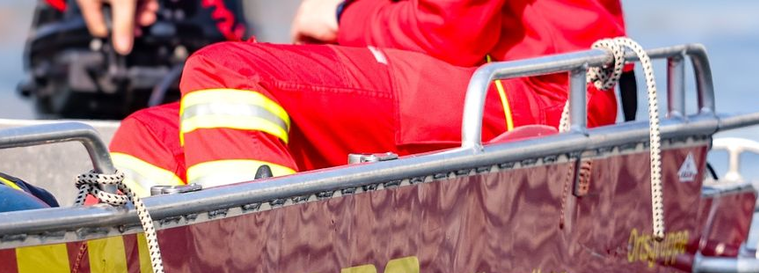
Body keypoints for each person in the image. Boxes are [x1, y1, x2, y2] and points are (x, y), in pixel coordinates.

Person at [109, 0, 625, 196]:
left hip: (530, 99)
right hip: (468, 81)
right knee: (147, 138)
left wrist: (340, 17)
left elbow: (451, 26)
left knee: (225, 71)